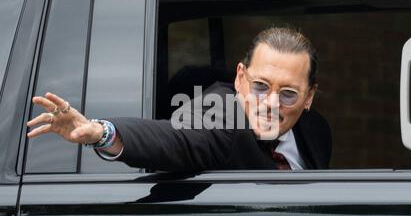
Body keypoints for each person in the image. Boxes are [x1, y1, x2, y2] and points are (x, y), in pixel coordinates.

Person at [26, 27, 331, 172]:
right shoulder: (219, 117)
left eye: (288, 93)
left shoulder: (315, 132)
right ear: (240, 78)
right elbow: (174, 138)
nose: (271, 103)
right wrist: (103, 132)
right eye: (260, 86)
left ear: (309, 97)